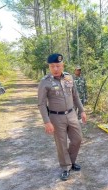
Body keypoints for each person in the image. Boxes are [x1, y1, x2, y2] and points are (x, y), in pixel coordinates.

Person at [38, 53, 87, 181]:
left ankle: (71, 161)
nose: (55, 69)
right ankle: (66, 167)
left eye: (58, 66)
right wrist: (46, 121)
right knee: (61, 143)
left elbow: (75, 96)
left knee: (77, 139)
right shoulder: (45, 82)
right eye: (52, 66)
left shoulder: (69, 78)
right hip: (56, 117)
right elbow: (41, 103)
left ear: (62, 65)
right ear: (49, 66)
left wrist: (82, 111)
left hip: (71, 114)